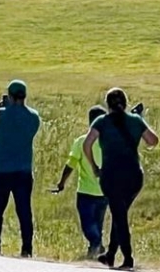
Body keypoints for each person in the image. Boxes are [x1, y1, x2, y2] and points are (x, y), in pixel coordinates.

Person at [83, 88, 159, 271]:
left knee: (119, 215)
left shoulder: (101, 122)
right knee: (120, 213)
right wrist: (139, 120)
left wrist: (94, 167)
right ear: (125, 103)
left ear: (107, 105)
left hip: (111, 175)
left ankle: (127, 258)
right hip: (134, 176)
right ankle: (110, 255)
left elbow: (87, 144)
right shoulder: (135, 120)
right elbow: (153, 141)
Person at [0, 80, 41, 257]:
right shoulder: (33, 116)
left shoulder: (0, 115)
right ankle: (27, 248)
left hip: (2, 169)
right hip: (23, 169)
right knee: (24, 210)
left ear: (9, 95)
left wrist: (1, 109)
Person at [54, 105, 108, 257]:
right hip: (104, 192)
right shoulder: (109, 142)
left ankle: (96, 244)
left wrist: (62, 182)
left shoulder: (82, 141)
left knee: (88, 223)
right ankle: (96, 247)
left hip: (85, 191)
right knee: (97, 222)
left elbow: (70, 165)